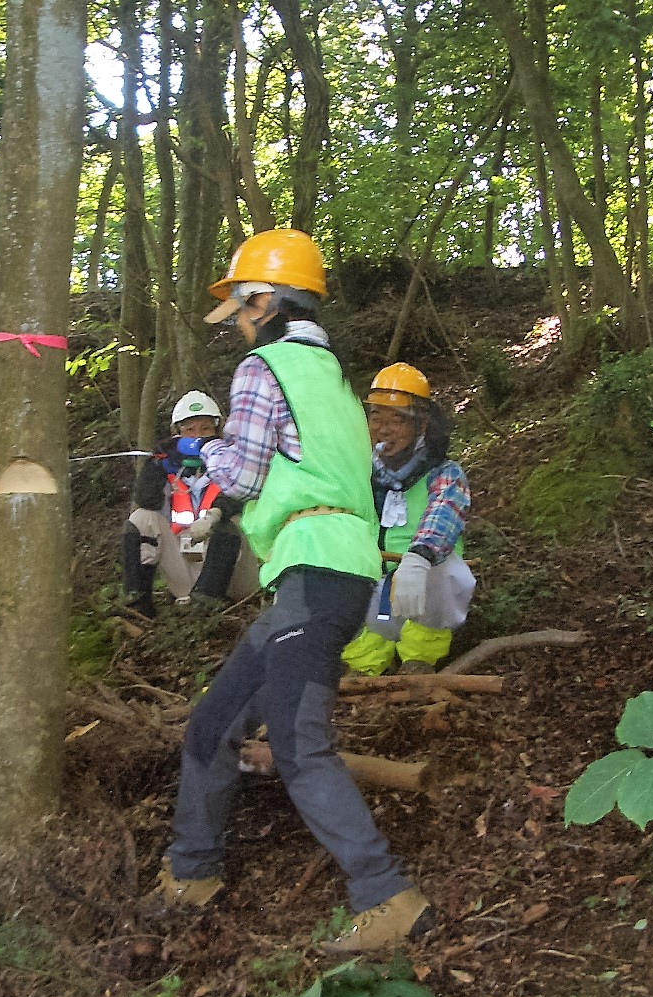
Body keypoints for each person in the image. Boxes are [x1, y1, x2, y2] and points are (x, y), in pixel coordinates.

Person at [144, 228, 435, 952]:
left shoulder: (261, 366)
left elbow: (239, 476)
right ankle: (192, 872)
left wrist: (199, 449)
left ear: (266, 300)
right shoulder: (335, 379)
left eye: (242, 309)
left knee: (300, 742)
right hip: (324, 573)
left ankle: (387, 895)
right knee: (214, 723)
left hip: (316, 571)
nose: (239, 323)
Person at [342, 363, 476, 675]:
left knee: (447, 570)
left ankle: (418, 659)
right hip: (370, 584)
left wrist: (418, 559)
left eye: (397, 419)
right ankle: (365, 665)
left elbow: (444, 514)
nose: (383, 429)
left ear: (422, 425)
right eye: (376, 417)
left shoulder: (444, 473)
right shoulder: (359, 473)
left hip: (422, 584)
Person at [121, 391, 257, 616]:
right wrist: (160, 460)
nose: (198, 436)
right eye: (189, 429)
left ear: (217, 430)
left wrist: (214, 515)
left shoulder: (233, 462)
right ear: (177, 432)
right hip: (186, 569)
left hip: (234, 576)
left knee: (229, 521)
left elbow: (238, 495)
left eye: (206, 429)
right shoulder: (169, 465)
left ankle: (209, 600)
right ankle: (137, 603)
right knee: (141, 519)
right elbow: (146, 499)